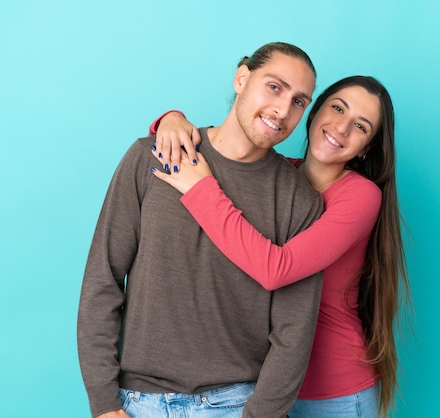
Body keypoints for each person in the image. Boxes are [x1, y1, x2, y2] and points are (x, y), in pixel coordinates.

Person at [77, 42, 326, 418]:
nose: (283, 109)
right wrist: (103, 402)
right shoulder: (152, 157)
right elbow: (102, 280)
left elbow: (294, 333)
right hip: (138, 401)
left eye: (299, 102)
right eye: (275, 87)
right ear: (242, 78)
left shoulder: (299, 202)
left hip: (237, 402)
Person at [148, 75, 411, 418]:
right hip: (261, 386)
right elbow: (227, 150)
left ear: (365, 148)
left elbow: (276, 270)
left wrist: (201, 189)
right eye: (337, 108)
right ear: (314, 113)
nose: (341, 128)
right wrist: (171, 120)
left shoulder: (360, 196)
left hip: (330, 394)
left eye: (360, 126)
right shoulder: (278, 174)